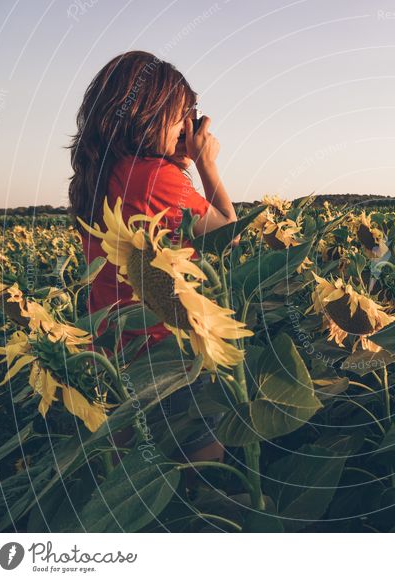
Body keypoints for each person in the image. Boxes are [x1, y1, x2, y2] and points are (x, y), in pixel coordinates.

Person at [67, 50, 238, 471]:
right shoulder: (152, 176)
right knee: (207, 487)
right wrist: (204, 163)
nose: (187, 128)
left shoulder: (97, 177)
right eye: (180, 116)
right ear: (147, 114)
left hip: (113, 353)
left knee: (141, 478)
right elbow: (226, 234)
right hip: (168, 355)